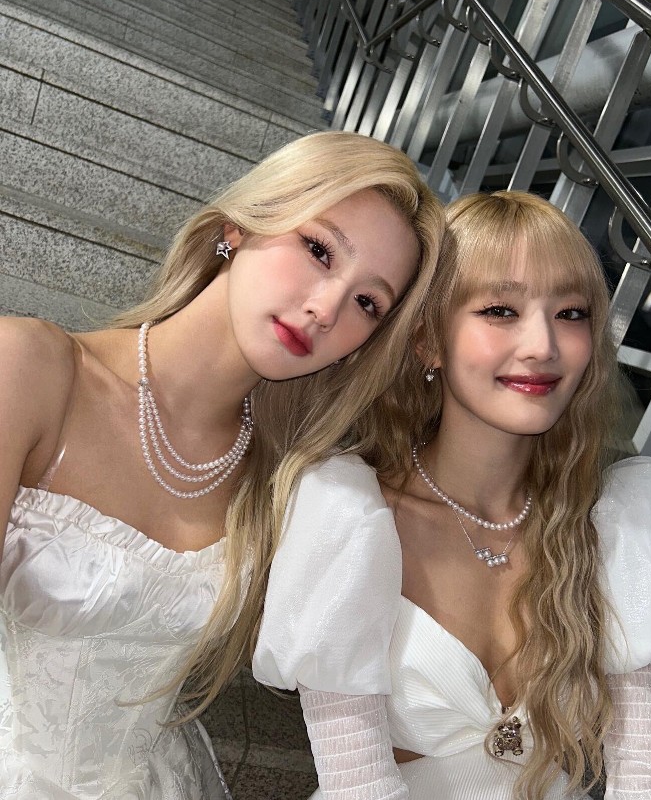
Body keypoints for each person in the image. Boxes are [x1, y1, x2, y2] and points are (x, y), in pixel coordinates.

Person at [0, 130, 445, 799]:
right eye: (319, 249)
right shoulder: (30, 368)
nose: (325, 309)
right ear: (238, 227)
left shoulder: (285, 484)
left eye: (367, 303)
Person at [253, 190, 651, 800]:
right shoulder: (347, 512)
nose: (543, 346)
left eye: (571, 313)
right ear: (427, 339)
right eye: (500, 310)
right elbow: (357, 786)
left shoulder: (620, 520)